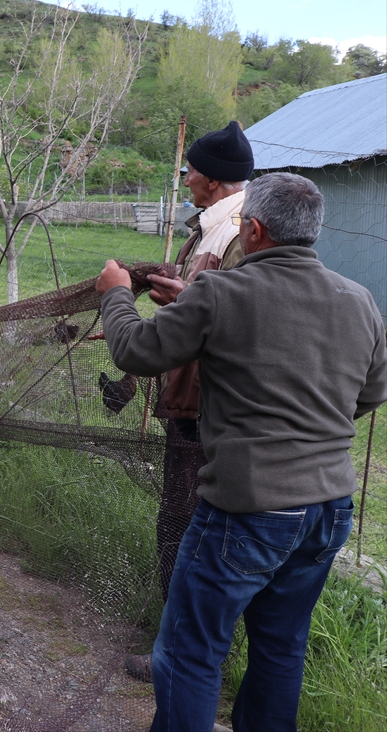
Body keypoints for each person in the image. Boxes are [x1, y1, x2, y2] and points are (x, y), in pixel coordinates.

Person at [95, 172, 387, 732]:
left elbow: (135, 350)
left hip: (248, 509)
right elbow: (371, 392)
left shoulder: (222, 295)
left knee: (190, 649)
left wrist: (113, 292)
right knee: (280, 648)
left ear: (253, 229)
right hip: (328, 509)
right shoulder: (360, 300)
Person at [119, 122, 254, 683]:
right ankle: (181, 647)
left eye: (191, 169)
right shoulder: (212, 230)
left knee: (187, 530)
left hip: (205, 409)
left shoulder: (239, 235)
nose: (184, 177)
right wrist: (182, 289)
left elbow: (236, 325)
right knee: (179, 523)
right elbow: (211, 307)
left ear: (217, 180)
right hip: (191, 401)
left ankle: (182, 658)